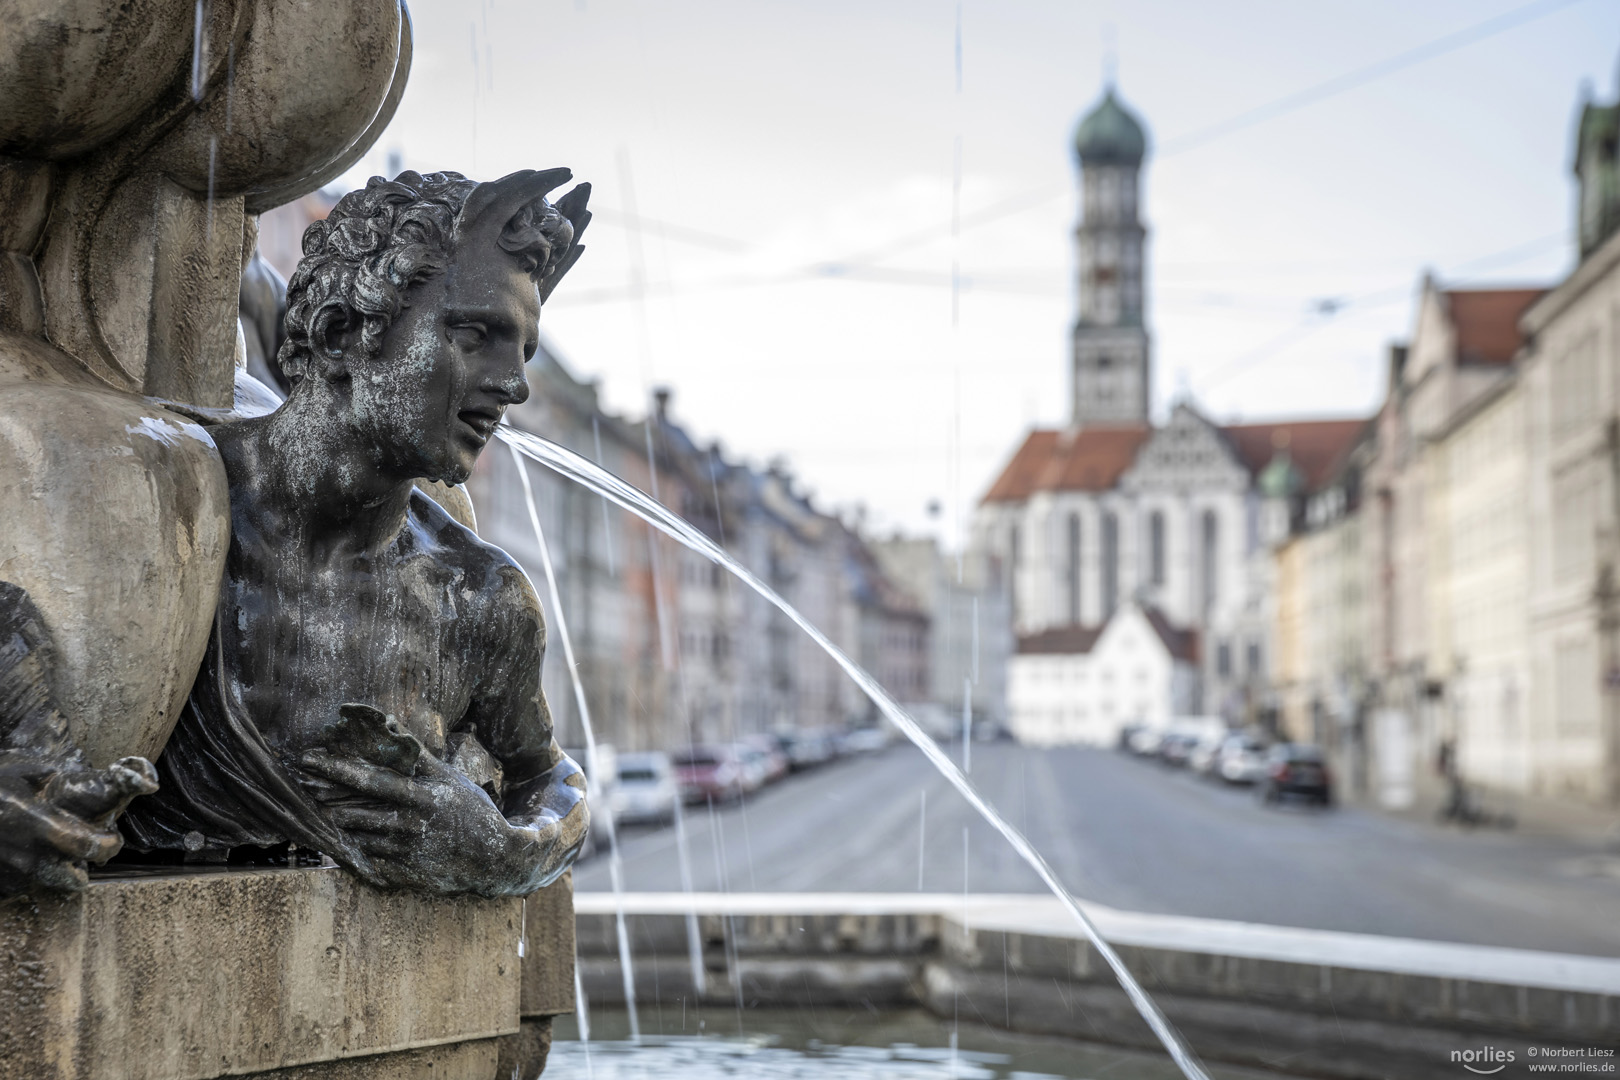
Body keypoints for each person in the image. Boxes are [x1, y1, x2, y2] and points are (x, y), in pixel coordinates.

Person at [121, 170, 593, 897]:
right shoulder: (153, 500)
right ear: (343, 332)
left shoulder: (480, 599)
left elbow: (549, 775)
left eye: (523, 352)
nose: (514, 384)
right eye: (477, 335)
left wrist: (507, 848)